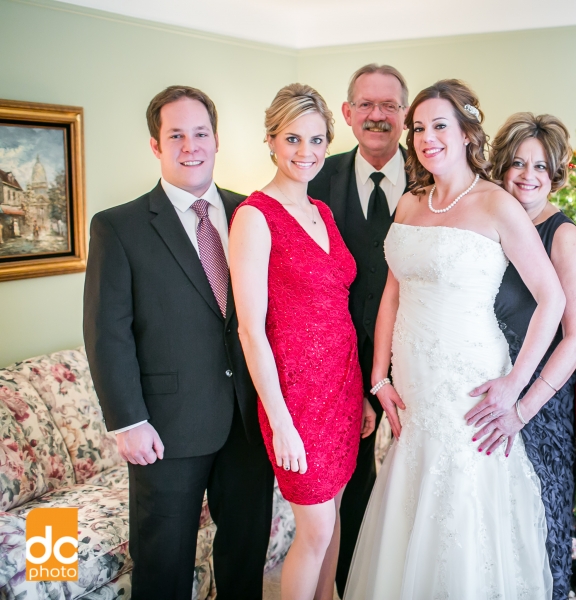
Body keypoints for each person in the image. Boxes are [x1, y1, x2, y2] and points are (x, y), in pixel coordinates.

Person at [344, 80, 566, 599]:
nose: (427, 138)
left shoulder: (497, 204)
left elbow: (552, 300)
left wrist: (515, 383)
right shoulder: (409, 203)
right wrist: (378, 376)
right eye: (419, 128)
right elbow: (392, 295)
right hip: (414, 388)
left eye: (440, 126)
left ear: (467, 133)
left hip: (469, 381)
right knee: (411, 501)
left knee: (463, 508)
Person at [83, 86, 274, 600]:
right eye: (176, 136)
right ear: (155, 145)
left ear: (217, 139)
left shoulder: (250, 213)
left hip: (248, 422)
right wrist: (128, 422)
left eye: (200, 133)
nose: (191, 146)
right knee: (163, 567)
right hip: (165, 431)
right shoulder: (118, 227)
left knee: (245, 559)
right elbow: (106, 332)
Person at [229, 83, 376, 600]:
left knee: (333, 521)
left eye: (316, 140)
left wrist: (361, 395)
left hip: (342, 388)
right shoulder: (254, 216)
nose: (305, 152)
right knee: (314, 532)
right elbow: (251, 330)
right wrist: (281, 423)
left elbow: (337, 310)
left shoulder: (323, 212)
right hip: (296, 398)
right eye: (292, 139)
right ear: (271, 140)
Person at [306, 64, 409, 595]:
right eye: (366, 104)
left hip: (417, 351)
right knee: (350, 482)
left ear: (405, 115)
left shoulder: (435, 175)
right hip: (339, 361)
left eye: (389, 105)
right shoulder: (314, 178)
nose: (377, 115)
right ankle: (352, 586)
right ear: (347, 113)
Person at [481, 112, 576, 600]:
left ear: (555, 174)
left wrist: (524, 409)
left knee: (539, 524)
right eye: (519, 164)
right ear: (502, 167)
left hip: (540, 402)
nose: (528, 175)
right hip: (485, 387)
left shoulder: (561, 235)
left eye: (541, 166)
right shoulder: (488, 222)